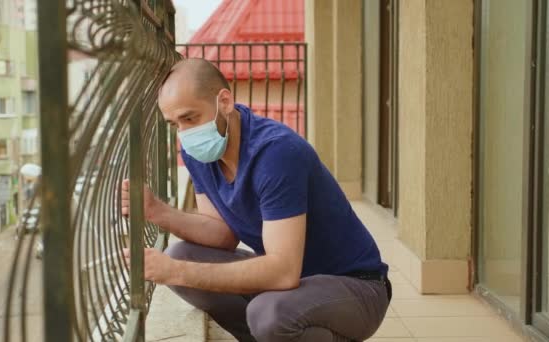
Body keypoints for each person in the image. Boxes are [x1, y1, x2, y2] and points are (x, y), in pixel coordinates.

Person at [121, 58, 391, 342]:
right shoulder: (199, 153)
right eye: (174, 124)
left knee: (267, 313)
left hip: (356, 288)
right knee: (181, 254)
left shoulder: (277, 153)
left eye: (190, 118)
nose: (185, 134)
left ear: (224, 101)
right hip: (295, 287)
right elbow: (221, 234)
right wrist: (156, 211)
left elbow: (283, 272)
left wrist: (177, 273)